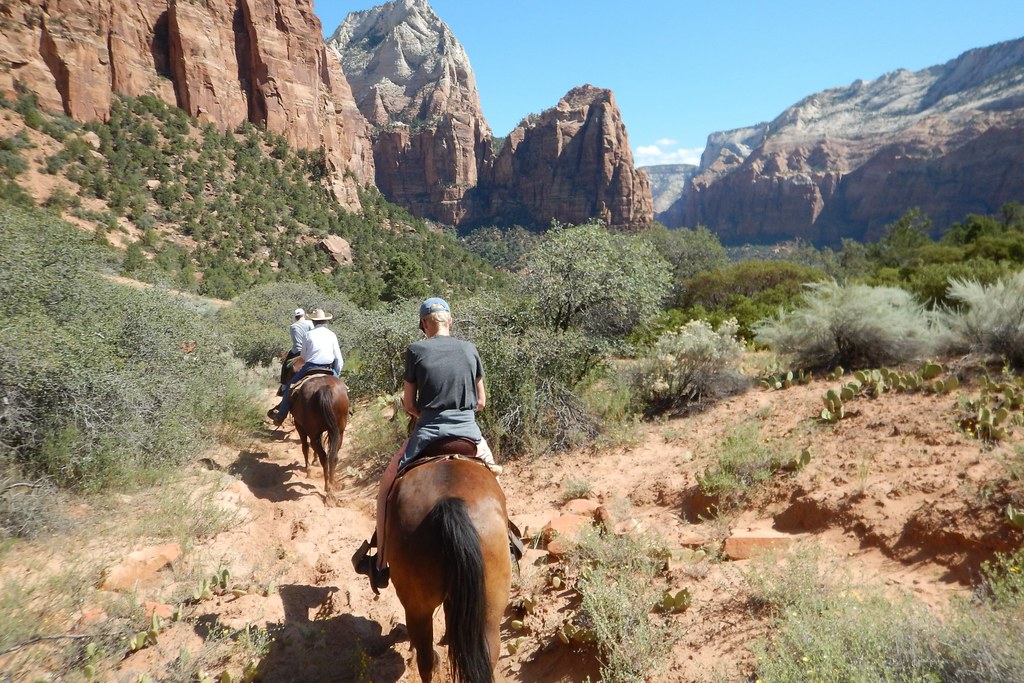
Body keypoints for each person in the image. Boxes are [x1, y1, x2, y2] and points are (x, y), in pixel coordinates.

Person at [354, 297, 494, 590]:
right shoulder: (469, 349)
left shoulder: (416, 351)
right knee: (493, 484)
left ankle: (379, 563)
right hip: (469, 436)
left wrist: (428, 413)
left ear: (423, 324)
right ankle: (507, 543)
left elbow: (408, 404)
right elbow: (481, 402)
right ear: (450, 322)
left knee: (386, 490)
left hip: (427, 435)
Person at [268, 308, 343, 426]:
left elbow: (303, 355)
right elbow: (339, 359)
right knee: (343, 389)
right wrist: (336, 374)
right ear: (325, 321)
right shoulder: (332, 335)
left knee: (289, 388)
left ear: (313, 321)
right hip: (328, 368)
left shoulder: (308, 334)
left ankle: (280, 416)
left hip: (310, 367)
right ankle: (347, 411)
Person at [280, 308, 314, 387]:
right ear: (304, 315)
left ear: (296, 317)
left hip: (297, 351)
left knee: (285, 366)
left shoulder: (292, 326)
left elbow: (295, 340)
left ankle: (283, 385)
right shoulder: (310, 323)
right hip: (309, 350)